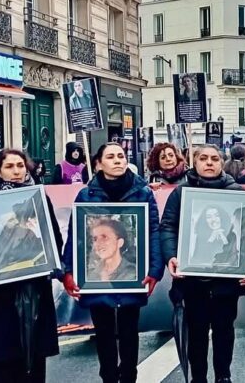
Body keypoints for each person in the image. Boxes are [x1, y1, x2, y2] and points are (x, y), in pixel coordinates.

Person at [62, 142, 163, 383]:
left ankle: (129, 377)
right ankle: (108, 377)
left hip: (133, 275)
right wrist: (67, 271)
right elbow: (77, 236)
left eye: (121, 156)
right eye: (111, 157)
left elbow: (153, 232)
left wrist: (154, 270)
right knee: (104, 334)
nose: (118, 160)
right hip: (97, 277)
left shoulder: (143, 192)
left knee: (129, 334)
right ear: (99, 163)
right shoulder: (86, 194)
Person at [160, 145, 245, 383]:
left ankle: (223, 377)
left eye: (214, 158)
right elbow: (168, 227)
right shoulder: (181, 193)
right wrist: (171, 256)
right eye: (203, 158)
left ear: (221, 163)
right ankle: (199, 378)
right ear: (194, 162)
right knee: (196, 333)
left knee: (224, 331)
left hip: (226, 281)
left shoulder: (236, 192)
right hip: (193, 280)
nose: (209, 163)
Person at [0, 148, 63, 382]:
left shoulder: (39, 199)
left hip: (34, 289)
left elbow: (54, 240)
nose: (16, 171)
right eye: (9, 166)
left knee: (34, 362)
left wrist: (54, 263)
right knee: (3, 363)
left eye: (20, 165)